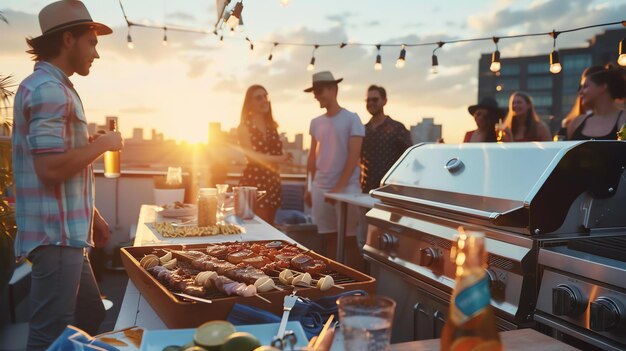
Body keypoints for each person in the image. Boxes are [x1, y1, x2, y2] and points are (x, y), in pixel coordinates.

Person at [11, 1, 123, 349]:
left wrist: (93, 214)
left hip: (68, 233)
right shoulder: (49, 91)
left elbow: (59, 162)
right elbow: (49, 169)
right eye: (92, 43)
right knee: (48, 334)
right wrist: (104, 144)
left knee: (89, 313)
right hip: (56, 237)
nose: (97, 54)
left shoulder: (52, 87)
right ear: (69, 39)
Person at [303, 71, 365, 256]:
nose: (315, 95)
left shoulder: (352, 119)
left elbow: (353, 157)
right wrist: (309, 187)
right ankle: (332, 282)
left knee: (349, 241)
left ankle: (356, 284)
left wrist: (337, 189)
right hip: (320, 188)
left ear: (333, 89)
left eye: (319, 90)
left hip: (347, 190)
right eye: (314, 91)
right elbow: (312, 157)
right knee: (329, 239)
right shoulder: (315, 122)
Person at [237, 85, 291, 225]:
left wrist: (285, 155)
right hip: (253, 182)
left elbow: (279, 151)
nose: (264, 100)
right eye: (259, 97)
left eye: (266, 96)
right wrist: (279, 159)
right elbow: (252, 157)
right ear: (249, 103)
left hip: (272, 182)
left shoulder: (272, 127)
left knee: (269, 226)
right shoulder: (244, 127)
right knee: (256, 229)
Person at [361, 85, 412, 194]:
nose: (370, 103)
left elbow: (410, 158)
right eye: (368, 100)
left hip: (391, 191)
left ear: (384, 101)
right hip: (366, 190)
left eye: (375, 99)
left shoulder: (397, 128)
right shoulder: (363, 130)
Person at [567, 64, 626, 140]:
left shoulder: (624, 119)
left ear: (603, 87)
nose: (580, 92)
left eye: (585, 86)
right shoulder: (576, 123)